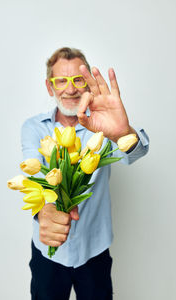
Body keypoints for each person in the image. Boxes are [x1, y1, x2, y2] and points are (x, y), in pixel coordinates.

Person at [21, 47, 149, 300]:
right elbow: (31, 176)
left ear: (89, 83)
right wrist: (43, 211)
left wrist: (121, 133)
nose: (70, 89)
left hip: (95, 249)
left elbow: (134, 154)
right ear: (50, 87)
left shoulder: (102, 124)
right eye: (61, 81)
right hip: (47, 250)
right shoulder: (34, 127)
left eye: (78, 79)